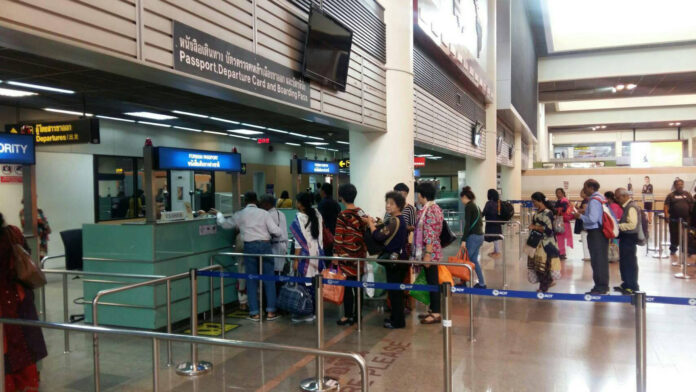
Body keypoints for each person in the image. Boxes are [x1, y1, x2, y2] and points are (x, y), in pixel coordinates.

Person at [213, 191, 284, 321]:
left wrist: (218, 214)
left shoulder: (241, 214)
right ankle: (270, 312)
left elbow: (225, 224)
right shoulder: (264, 213)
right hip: (265, 246)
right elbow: (276, 231)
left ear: (245, 201)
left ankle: (255, 313)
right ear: (256, 201)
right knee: (269, 279)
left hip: (249, 247)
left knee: (251, 279)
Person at [1, 212, 48, 391]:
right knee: (24, 347)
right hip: (20, 297)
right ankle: (27, 383)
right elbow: (27, 253)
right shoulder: (13, 232)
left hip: (5, 302)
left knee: (10, 349)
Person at [364, 191, 409, 329]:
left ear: (399, 206)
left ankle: (398, 322)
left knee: (395, 292)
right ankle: (396, 318)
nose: (388, 206)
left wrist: (370, 223)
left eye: (391, 203)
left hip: (395, 261)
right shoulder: (398, 220)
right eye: (387, 202)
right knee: (396, 292)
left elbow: (378, 236)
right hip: (400, 260)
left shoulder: (395, 220)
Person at [333, 184, 367, 326]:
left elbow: (339, 236)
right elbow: (365, 230)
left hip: (346, 256)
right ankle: (358, 314)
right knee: (358, 285)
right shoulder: (361, 212)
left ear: (341, 197)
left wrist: (335, 255)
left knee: (347, 287)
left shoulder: (342, 215)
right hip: (359, 254)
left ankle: (347, 316)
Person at [290, 192, 325, 323]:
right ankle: (315, 311)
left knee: (303, 284)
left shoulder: (298, 218)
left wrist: (295, 259)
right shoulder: (317, 214)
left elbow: (298, 243)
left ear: (301, 203)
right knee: (315, 284)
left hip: (305, 256)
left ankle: (305, 312)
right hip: (317, 254)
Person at [413, 182, 444, 325]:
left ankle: (436, 313)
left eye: (418, 193)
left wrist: (427, 254)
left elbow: (430, 233)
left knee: (432, 281)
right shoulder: (432, 208)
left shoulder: (431, 210)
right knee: (430, 280)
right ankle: (432, 309)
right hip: (431, 250)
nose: (417, 196)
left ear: (422, 194)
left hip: (430, 252)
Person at [573, 179, 609, 295]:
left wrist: (580, 216)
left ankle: (600, 287)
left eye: (585, 187)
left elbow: (593, 219)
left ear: (590, 187)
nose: (584, 189)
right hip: (600, 232)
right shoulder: (601, 197)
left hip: (596, 233)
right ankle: (602, 285)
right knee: (601, 260)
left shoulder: (594, 200)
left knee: (597, 261)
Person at [528, 192, 561, 292]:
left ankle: (544, 287)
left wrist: (535, 227)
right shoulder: (537, 213)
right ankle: (548, 282)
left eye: (534, 201)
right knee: (537, 265)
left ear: (539, 201)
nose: (533, 203)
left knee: (543, 266)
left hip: (546, 243)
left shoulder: (547, 213)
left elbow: (549, 230)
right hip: (537, 242)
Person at [614, 188, 641, 295]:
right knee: (624, 262)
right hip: (625, 237)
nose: (616, 199)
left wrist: (617, 226)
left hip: (630, 238)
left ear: (625, 196)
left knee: (630, 262)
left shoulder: (631, 207)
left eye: (618, 197)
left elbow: (632, 224)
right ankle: (626, 283)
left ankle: (632, 286)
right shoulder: (626, 207)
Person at [459, 186, 486, 288]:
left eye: (462, 198)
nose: (461, 201)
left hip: (473, 237)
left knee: (465, 260)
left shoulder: (469, 207)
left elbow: (467, 225)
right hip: (480, 236)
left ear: (465, 197)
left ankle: (463, 282)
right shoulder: (476, 206)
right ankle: (482, 283)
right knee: (474, 260)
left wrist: (464, 239)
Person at [259, 194, 288, 278]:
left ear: (267, 204)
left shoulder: (267, 215)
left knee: (272, 272)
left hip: (273, 246)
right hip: (283, 246)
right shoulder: (281, 214)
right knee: (280, 272)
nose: (261, 206)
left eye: (262, 204)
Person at [664, 179, 693, 258]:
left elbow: (692, 205)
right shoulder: (671, 195)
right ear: (675, 186)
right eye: (678, 184)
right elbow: (666, 206)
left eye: (681, 184)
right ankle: (673, 249)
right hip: (674, 219)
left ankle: (687, 250)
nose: (680, 186)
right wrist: (666, 216)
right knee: (674, 235)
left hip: (686, 220)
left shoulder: (687, 194)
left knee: (687, 235)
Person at [318, 183, 342, 255]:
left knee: (326, 257)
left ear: (323, 191)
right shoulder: (336, 204)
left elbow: (320, 219)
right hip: (335, 234)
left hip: (325, 236)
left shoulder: (322, 204)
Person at [482, 189, 503, 258]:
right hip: (497, 223)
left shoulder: (489, 203)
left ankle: (497, 252)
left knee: (494, 238)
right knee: (495, 237)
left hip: (491, 223)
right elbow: (499, 213)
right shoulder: (499, 202)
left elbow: (484, 212)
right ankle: (495, 251)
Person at [554, 188, 574, 260]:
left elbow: (564, 209)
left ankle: (561, 253)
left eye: (559, 192)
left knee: (560, 237)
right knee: (560, 237)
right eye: (556, 193)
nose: (557, 194)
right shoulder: (560, 200)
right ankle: (562, 252)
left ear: (563, 193)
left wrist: (556, 209)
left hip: (562, 221)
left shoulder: (564, 201)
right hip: (562, 220)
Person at [576, 190, 591, 262]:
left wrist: (578, 210)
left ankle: (587, 256)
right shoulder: (590, 200)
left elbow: (584, 210)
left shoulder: (585, 201)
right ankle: (589, 255)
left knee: (584, 239)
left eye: (581, 192)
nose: (580, 194)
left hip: (584, 221)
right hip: (588, 222)